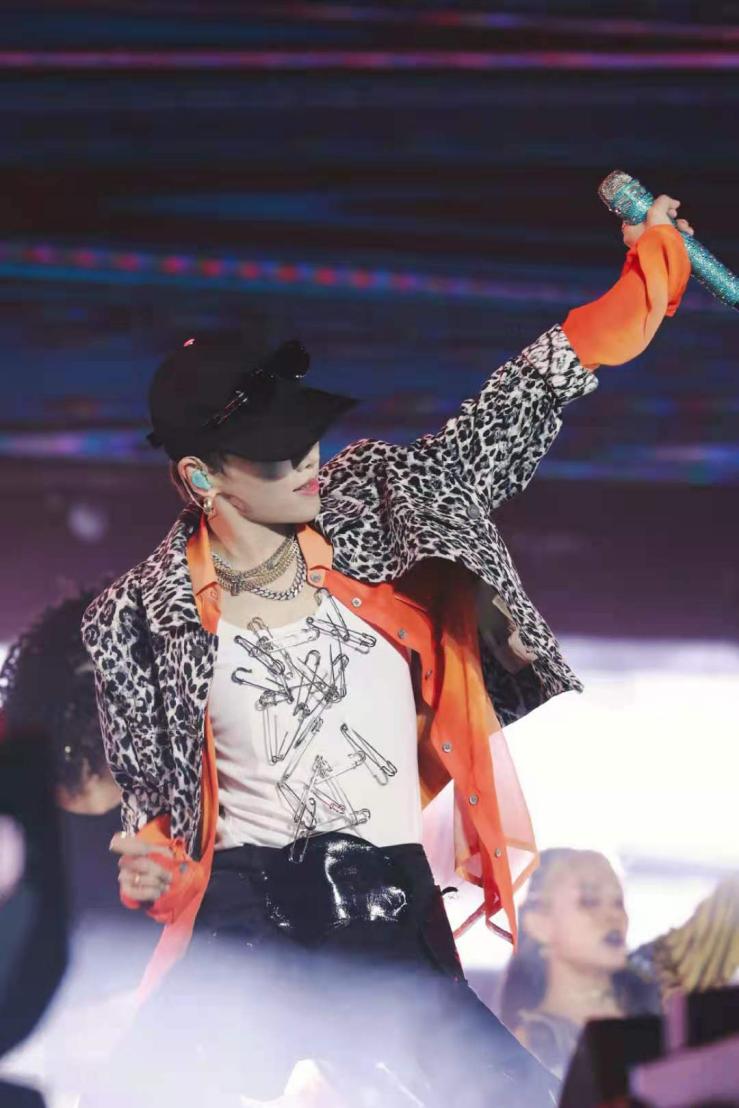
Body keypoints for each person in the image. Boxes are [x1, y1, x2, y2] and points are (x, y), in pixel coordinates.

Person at [81, 196, 693, 1106]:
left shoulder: (378, 500)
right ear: (200, 477)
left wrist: (647, 271)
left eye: (305, 435)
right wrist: (150, 866)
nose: (306, 461)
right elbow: (157, 817)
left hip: (384, 901)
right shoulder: (132, 619)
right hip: (242, 925)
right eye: (273, 454)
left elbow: (525, 398)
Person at [499, 848, 739, 1080]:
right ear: (539, 924)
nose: (613, 916)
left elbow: (728, 910)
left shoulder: (658, 974)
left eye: (618, 902)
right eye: (589, 901)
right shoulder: (531, 1047)